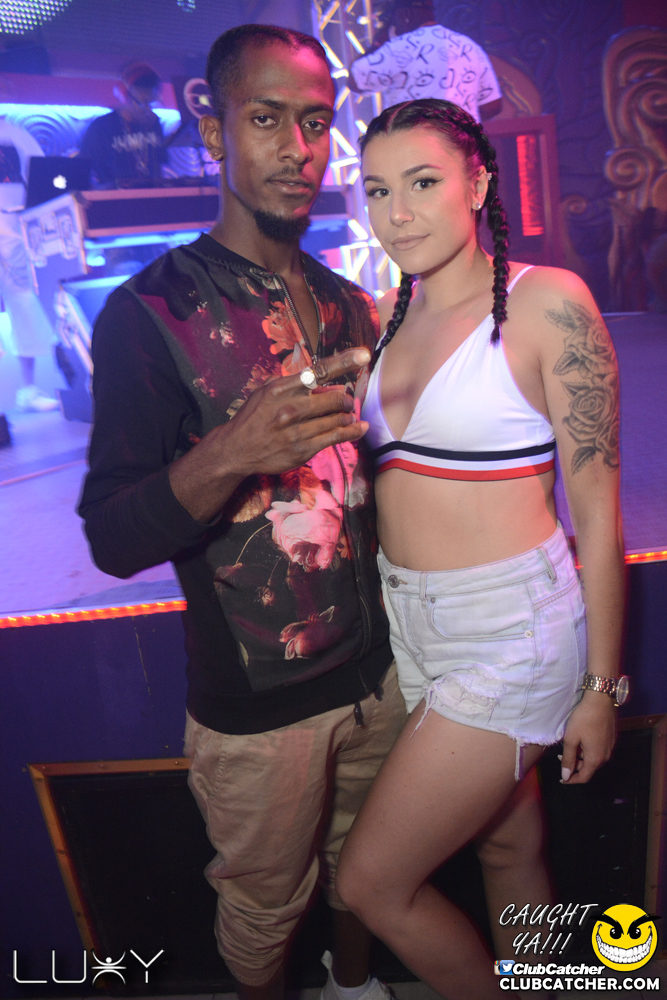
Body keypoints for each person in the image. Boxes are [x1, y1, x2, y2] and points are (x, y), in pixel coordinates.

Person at [78, 25, 406, 1000]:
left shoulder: (350, 304)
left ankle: (353, 988)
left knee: (368, 875)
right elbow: (111, 537)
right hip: (259, 712)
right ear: (215, 131)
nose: (297, 149)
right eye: (265, 119)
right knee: (264, 912)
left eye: (314, 122)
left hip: (381, 677)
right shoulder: (150, 313)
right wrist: (229, 453)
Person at [336, 99, 625, 1000]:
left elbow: (598, 516)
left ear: (477, 183)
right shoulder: (388, 315)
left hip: (511, 630)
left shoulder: (547, 301)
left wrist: (600, 689)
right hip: (414, 624)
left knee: (371, 884)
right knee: (506, 844)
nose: (397, 214)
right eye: (376, 190)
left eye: (422, 183)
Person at [349, 0, 502, 121]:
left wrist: (379, 40)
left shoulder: (401, 47)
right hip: (461, 145)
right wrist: (457, 123)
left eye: (392, 20)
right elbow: (492, 106)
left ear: (404, 15)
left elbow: (356, 82)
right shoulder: (469, 47)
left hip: (414, 144)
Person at [0, 117, 58, 412]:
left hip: (18, 224)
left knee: (24, 300)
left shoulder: (16, 133)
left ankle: (28, 388)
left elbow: (46, 177)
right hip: (9, 225)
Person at [79, 62, 167, 186]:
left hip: (152, 195)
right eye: (142, 103)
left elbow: (160, 165)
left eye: (151, 103)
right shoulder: (101, 127)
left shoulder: (154, 125)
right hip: (114, 196)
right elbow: (84, 169)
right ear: (124, 96)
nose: (147, 109)